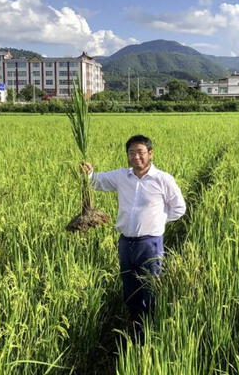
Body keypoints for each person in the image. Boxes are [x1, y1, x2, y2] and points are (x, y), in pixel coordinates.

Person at [81, 134, 186, 340]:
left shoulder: (163, 179)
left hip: (150, 243)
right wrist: (88, 172)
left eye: (140, 152)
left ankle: (151, 332)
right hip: (126, 243)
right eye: (131, 153)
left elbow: (179, 208)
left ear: (150, 154)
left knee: (150, 288)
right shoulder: (121, 176)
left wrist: (157, 221)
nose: (136, 157)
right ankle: (136, 329)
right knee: (130, 289)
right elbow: (96, 182)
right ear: (127, 156)